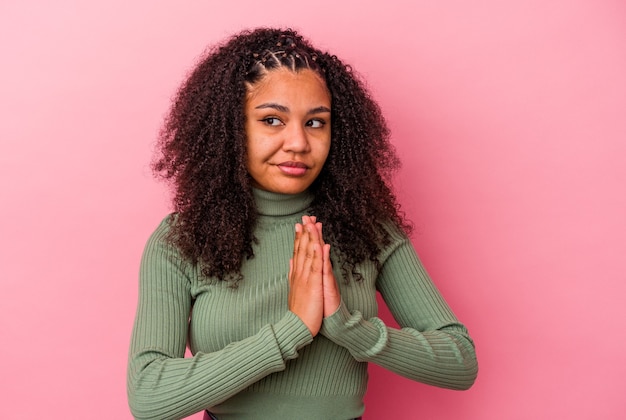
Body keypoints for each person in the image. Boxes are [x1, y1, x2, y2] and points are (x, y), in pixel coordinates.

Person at [127, 27, 478, 420]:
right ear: (229, 130)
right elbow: (149, 396)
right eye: (272, 120)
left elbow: (460, 361)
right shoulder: (181, 239)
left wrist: (349, 329)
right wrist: (293, 330)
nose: (298, 142)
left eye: (315, 123)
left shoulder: (367, 228)